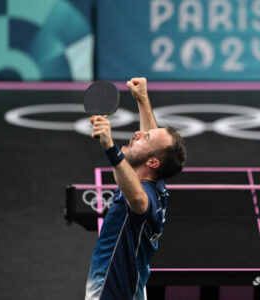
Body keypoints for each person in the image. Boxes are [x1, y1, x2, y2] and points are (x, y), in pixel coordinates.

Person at [85, 77, 187, 300]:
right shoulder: (156, 183)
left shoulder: (143, 196)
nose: (137, 134)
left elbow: (138, 200)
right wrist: (142, 99)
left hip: (110, 293)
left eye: (145, 138)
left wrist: (111, 148)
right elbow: (152, 148)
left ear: (151, 163)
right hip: (133, 292)